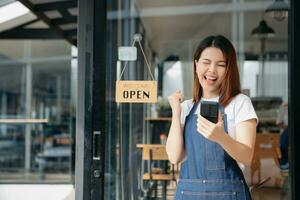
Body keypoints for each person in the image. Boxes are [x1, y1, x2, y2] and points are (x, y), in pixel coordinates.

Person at [166, 35, 258, 200]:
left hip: (229, 194)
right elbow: (174, 157)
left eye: (221, 64)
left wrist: (221, 137)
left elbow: (247, 157)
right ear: (196, 65)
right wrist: (176, 113)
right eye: (206, 62)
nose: (212, 70)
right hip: (189, 194)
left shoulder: (240, 103)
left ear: (229, 69)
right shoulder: (186, 107)